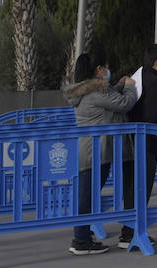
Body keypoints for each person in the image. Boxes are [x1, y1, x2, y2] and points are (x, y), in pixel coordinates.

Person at [65, 51, 136, 255]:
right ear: (99, 70)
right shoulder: (98, 91)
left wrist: (118, 87)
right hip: (97, 151)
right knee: (86, 197)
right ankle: (80, 240)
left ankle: (82, 237)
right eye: (106, 66)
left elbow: (107, 101)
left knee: (87, 195)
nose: (108, 70)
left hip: (90, 150)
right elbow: (123, 104)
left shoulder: (87, 91)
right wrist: (130, 88)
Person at [121, 43, 157, 249]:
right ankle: (132, 232)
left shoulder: (139, 76)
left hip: (132, 140)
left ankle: (128, 231)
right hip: (147, 142)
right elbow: (154, 114)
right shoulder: (154, 82)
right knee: (141, 188)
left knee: (131, 187)